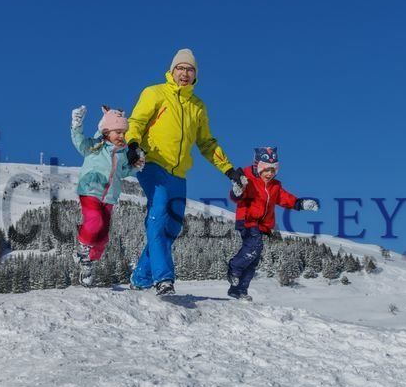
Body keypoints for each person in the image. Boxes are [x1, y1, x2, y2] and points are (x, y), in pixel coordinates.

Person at [124, 48, 245, 295]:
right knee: (157, 218)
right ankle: (164, 279)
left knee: (172, 228)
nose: (185, 73)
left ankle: (140, 278)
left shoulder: (197, 107)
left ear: (195, 74)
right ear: (172, 70)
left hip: (178, 175)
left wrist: (229, 170)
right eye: (180, 68)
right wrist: (133, 145)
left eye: (190, 69)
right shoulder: (155, 93)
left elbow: (207, 144)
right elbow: (136, 122)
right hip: (153, 165)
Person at [227, 146, 318, 300]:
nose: (269, 173)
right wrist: (237, 190)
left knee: (254, 259)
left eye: (273, 170)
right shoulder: (247, 178)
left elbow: (285, 198)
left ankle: (239, 290)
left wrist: (300, 203)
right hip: (248, 219)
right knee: (255, 246)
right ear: (258, 166)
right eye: (266, 170)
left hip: (262, 225)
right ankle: (234, 268)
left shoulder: (275, 186)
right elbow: (236, 195)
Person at [70, 105, 144, 287]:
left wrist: (136, 167)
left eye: (123, 133)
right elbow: (78, 140)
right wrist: (76, 123)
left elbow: (124, 171)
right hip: (90, 190)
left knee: (103, 237)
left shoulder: (123, 154)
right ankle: (82, 247)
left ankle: (88, 263)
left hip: (109, 197)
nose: (121, 136)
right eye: (117, 132)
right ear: (106, 131)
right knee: (95, 221)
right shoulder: (95, 146)